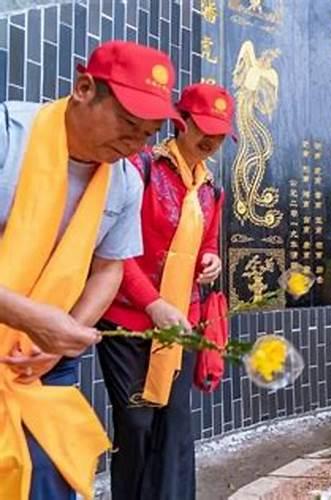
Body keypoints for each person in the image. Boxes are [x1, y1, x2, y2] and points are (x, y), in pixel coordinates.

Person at [0, 40, 181, 500]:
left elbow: (109, 269)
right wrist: (28, 318)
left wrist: (63, 337)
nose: (135, 144)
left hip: (37, 358)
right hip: (30, 329)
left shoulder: (123, 181)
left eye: (148, 133)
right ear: (84, 88)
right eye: (127, 123)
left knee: (50, 474)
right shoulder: (8, 138)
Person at [96, 82, 231, 500]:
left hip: (180, 320)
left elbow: (207, 241)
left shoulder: (211, 188)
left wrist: (212, 260)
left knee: (173, 426)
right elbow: (113, 251)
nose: (211, 140)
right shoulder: (141, 168)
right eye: (204, 128)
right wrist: (151, 303)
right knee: (136, 423)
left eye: (221, 133)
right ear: (181, 121)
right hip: (127, 317)